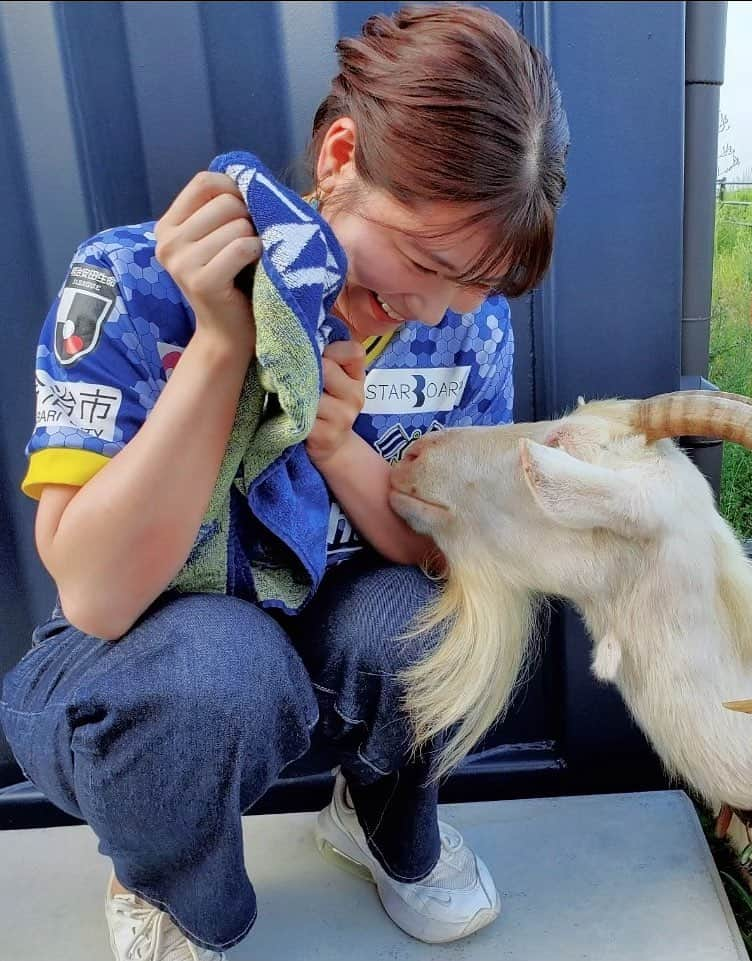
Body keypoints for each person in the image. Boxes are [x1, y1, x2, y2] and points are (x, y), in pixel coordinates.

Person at [0, 4, 568, 959]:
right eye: (424, 259)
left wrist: (342, 449)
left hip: (331, 626)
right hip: (146, 653)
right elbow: (95, 595)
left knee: (448, 618)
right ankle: (176, 886)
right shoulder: (132, 280)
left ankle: (382, 818)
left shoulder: (460, 324)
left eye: (472, 288)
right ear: (340, 153)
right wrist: (222, 344)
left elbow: (447, 552)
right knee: (214, 669)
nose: (429, 306)